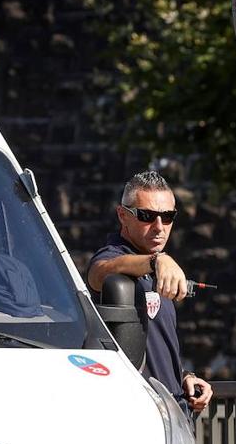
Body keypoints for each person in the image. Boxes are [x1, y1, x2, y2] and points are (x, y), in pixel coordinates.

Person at [88, 170, 212, 415]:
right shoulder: (114, 257)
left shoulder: (156, 268)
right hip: (139, 418)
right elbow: (98, 273)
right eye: (147, 216)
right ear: (123, 215)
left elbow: (156, 349)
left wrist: (185, 376)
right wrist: (156, 260)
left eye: (168, 217)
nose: (159, 227)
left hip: (174, 417)